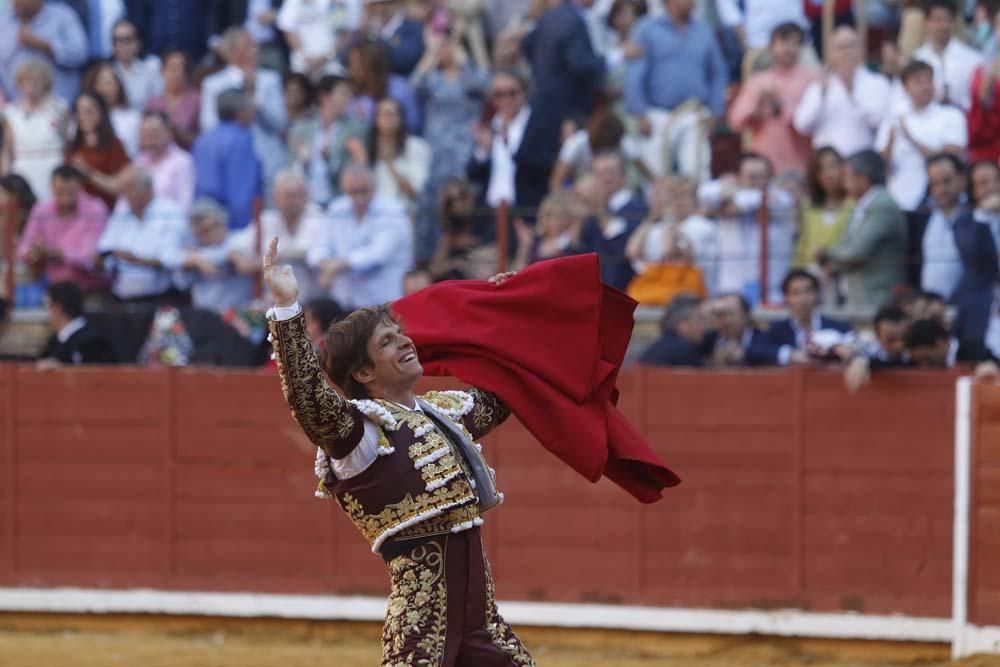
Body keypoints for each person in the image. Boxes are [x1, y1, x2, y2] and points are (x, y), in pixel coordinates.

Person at [262, 235, 535, 665]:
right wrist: (287, 307)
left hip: (482, 626)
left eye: (399, 334)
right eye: (387, 342)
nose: (405, 342)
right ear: (364, 371)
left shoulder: (444, 412)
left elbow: (504, 392)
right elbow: (308, 397)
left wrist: (508, 305)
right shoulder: (361, 432)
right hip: (420, 631)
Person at [624, 0, 728, 178]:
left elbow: (717, 73)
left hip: (693, 112)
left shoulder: (703, 30)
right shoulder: (647, 29)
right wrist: (640, 113)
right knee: (654, 175)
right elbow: (634, 74)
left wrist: (716, 110)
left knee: (696, 173)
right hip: (656, 114)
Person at [412, 26, 490, 262]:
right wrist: (431, 52)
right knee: (436, 199)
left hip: (465, 146)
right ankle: (433, 254)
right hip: (436, 149)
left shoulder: (470, 77)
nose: (447, 51)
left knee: (463, 195)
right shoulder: (434, 78)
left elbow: (486, 84)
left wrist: (463, 58)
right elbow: (415, 84)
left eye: (450, 46)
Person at [306, 164, 413, 309]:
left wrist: (337, 265)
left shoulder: (393, 212)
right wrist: (324, 262)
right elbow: (318, 245)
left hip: (383, 304)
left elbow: (377, 254)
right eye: (353, 192)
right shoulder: (337, 209)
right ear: (344, 189)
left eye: (364, 191)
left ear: (374, 187)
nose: (359, 197)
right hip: (345, 302)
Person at [697, 152, 795, 305]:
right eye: (752, 177)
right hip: (731, 288)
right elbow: (704, 193)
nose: (759, 182)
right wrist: (728, 198)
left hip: (772, 290)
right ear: (739, 178)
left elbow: (754, 200)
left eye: (763, 176)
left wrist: (723, 204)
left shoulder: (782, 197)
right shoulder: (728, 193)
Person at [816, 150, 907, 310]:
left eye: (847, 177)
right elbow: (846, 247)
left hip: (876, 299)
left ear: (862, 178)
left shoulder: (882, 205)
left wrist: (827, 254)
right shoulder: (862, 205)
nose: (844, 184)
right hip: (858, 297)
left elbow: (857, 252)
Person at [876, 59, 967, 216]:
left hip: (937, 204)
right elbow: (880, 167)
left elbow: (951, 160)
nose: (926, 86)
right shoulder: (893, 117)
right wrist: (891, 142)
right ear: (905, 87)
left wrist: (911, 139)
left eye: (929, 80)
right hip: (898, 202)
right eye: (918, 82)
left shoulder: (951, 115)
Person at [467, 69, 560, 224]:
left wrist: (508, 145)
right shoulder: (491, 124)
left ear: (524, 93)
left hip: (526, 214)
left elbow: (544, 167)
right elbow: (473, 175)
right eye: (498, 94)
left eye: (511, 93)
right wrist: (483, 150)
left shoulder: (540, 124)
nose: (505, 99)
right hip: (492, 214)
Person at [200, 27, 286, 184]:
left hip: (267, 164)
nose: (255, 50)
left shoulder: (270, 80)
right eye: (249, 46)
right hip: (230, 163)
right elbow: (209, 126)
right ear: (232, 52)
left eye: (255, 46)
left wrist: (255, 98)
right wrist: (238, 114)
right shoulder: (213, 84)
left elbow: (280, 123)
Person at [728, 22, 816, 175]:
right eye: (783, 43)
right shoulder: (758, 82)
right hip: (762, 169)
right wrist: (757, 105)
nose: (788, 49)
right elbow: (736, 122)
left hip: (798, 167)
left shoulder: (811, 81)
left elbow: (809, 123)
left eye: (794, 43)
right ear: (771, 47)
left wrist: (780, 105)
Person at [230, 168, 327, 302]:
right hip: (274, 304)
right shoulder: (266, 219)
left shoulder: (317, 217)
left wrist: (264, 261)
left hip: (310, 304)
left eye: (297, 195)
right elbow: (235, 244)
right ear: (275, 197)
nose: (293, 201)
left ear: (306, 196)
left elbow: (305, 252)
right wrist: (237, 256)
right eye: (288, 196)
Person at [793, 26, 891, 158]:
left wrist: (852, 93)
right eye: (841, 47)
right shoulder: (819, 85)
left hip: (863, 163)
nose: (846, 52)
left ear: (861, 50)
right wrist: (821, 94)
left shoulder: (878, 83)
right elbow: (802, 125)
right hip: (828, 166)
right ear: (831, 53)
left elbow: (880, 122)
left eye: (851, 46)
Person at [96, 165, 187, 302]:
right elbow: (105, 251)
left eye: (128, 189)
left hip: (161, 297)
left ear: (146, 189)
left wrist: (136, 260)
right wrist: (98, 261)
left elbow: (172, 259)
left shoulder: (171, 212)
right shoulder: (121, 214)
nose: (124, 196)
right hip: (122, 297)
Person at [17, 164, 109, 292]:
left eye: (70, 192)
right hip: (54, 290)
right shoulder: (41, 210)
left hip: (89, 290)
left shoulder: (96, 209)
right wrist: (33, 253)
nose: (65, 197)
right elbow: (23, 248)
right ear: (52, 188)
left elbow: (89, 257)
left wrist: (55, 253)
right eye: (60, 191)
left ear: (80, 186)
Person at [626, 175, 720, 294]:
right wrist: (651, 220)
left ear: (695, 200)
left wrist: (669, 223)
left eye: (683, 196)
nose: (678, 202)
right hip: (658, 294)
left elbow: (669, 252)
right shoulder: (658, 226)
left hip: (694, 296)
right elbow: (632, 251)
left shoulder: (701, 225)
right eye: (674, 197)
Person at [521, 0, 607, 128]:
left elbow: (527, 44)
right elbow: (582, 64)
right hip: (569, 110)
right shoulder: (572, 20)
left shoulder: (552, 15)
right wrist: (612, 59)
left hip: (545, 103)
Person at [192, 88, 262, 231]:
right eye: (250, 106)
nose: (253, 111)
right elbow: (241, 195)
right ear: (240, 112)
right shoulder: (241, 140)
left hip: (201, 221)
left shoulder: (203, 139)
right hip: (229, 226)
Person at [577, 150, 647, 290]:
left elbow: (629, 251)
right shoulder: (592, 214)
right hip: (598, 291)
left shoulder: (639, 209)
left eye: (610, 172)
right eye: (599, 174)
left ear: (623, 176)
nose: (606, 179)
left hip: (629, 292)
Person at [168, 198, 254, 311]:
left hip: (241, 315)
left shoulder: (240, 240)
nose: (212, 233)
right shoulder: (192, 252)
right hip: (207, 316)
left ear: (223, 221)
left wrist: (200, 258)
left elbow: (242, 260)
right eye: (204, 231)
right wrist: (196, 260)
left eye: (215, 226)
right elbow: (177, 273)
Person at [1, 59, 68, 200]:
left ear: (45, 83)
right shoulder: (11, 112)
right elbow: (7, 151)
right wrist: (5, 180)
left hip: (52, 167)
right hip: (23, 169)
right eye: (25, 83)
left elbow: (67, 143)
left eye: (35, 82)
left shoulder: (60, 108)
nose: (30, 88)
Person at [793, 147, 852, 302]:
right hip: (811, 278)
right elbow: (803, 244)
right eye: (821, 169)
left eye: (833, 166)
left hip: (845, 278)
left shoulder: (855, 203)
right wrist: (797, 275)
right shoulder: (808, 205)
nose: (829, 174)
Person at [351, 97, 430, 212]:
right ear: (376, 119)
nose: (387, 119)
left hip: (403, 213)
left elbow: (414, 192)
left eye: (391, 114)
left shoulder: (416, 146)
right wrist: (361, 160)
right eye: (383, 114)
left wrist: (389, 163)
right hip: (371, 214)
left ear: (401, 119)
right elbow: (356, 189)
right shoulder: (368, 147)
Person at [0, 0, 88, 103]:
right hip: (13, 109)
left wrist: (44, 45)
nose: (15, 2)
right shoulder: (3, 19)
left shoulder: (63, 16)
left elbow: (80, 54)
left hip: (57, 109)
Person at [304, 74, 367, 208]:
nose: (348, 99)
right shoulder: (302, 129)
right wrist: (303, 161)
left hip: (338, 202)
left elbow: (357, 168)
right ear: (325, 97)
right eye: (344, 94)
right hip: (307, 204)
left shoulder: (355, 130)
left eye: (349, 95)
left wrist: (329, 159)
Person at [766, 269, 853, 365]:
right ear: (786, 298)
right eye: (796, 293)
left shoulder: (839, 327)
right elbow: (758, 350)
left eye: (808, 291)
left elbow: (861, 348)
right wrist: (790, 354)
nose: (803, 299)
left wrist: (858, 359)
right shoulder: (776, 331)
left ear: (817, 294)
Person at [64, 90, 130, 209]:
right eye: (79, 112)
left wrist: (88, 173)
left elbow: (118, 186)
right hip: (78, 213)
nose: (83, 117)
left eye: (89, 111)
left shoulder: (114, 144)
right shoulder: (72, 147)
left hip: (106, 209)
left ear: (101, 112)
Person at [912, 0, 983, 111]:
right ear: (926, 23)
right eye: (937, 20)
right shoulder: (916, 60)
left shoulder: (974, 59)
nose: (943, 26)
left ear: (954, 23)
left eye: (947, 20)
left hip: (964, 120)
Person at [37, 281, 114, 366]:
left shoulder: (92, 342)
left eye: (47, 306)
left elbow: (95, 374)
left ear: (58, 308)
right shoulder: (54, 341)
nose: (46, 313)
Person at [277, 0, 361, 77]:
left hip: (331, 64)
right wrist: (305, 58)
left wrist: (325, 58)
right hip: (301, 64)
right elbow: (288, 28)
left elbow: (344, 33)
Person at [135, 111, 195, 211]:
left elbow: (186, 205)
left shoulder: (183, 162)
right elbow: (123, 206)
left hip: (171, 222)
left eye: (154, 133)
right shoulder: (138, 161)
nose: (149, 139)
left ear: (169, 133)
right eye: (144, 134)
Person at [144, 50, 200, 151]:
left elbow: (202, 138)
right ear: (163, 71)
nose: (176, 74)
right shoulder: (153, 102)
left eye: (180, 69)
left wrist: (181, 133)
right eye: (172, 68)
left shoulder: (197, 100)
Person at [705, 292, 782, 367]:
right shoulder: (709, 340)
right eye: (720, 315)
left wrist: (745, 356)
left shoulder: (764, 338)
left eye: (731, 314)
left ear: (746, 315)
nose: (726, 321)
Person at [83, 60, 141, 157]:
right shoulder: (82, 117)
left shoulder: (133, 118)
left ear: (118, 87)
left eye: (109, 83)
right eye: (99, 84)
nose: (104, 89)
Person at [639, 293, 709, 366]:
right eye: (700, 320)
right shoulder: (684, 352)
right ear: (682, 324)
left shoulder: (655, 347)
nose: (704, 326)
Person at [109, 18, 161, 112]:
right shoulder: (108, 72)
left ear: (138, 43)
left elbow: (158, 104)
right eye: (118, 40)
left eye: (127, 39)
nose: (122, 44)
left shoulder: (151, 68)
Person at [364, 0, 424, 76]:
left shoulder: (412, 28)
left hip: (400, 81)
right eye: (374, 4)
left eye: (384, 3)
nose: (379, 8)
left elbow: (403, 60)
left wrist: (377, 39)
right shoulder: (368, 29)